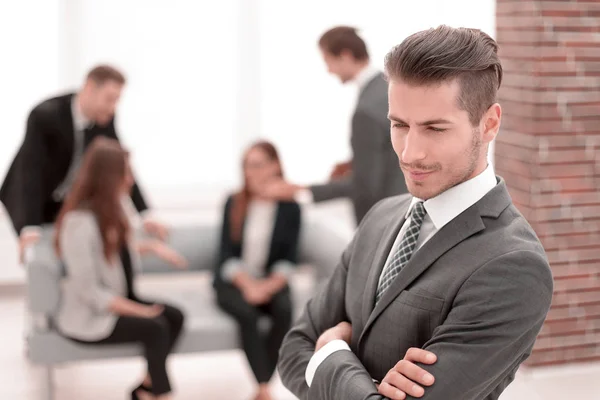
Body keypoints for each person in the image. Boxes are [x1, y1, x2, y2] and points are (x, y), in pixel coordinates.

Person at [277, 26, 553, 400]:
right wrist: (368, 389)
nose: (409, 153)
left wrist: (332, 355)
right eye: (399, 125)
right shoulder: (381, 217)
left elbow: (315, 350)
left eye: (435, 129)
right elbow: (294, 349)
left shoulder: (514, 264)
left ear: (489, 124)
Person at [54, 137, 187, 400]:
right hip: (90, 315)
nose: (130, 180)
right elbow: (89, 291)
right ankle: (161, 394)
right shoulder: (77, 222)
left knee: (175, 316)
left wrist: (153, 248)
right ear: (107, 177)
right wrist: (140, 311)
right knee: (155, 326)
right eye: (125, 173)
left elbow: (116, 253)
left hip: (120, 298)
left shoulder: (116, 208)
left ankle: (147, 386)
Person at [0, 64, 167, 263]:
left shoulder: (104, 118)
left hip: (66, 201)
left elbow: (119, 166)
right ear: (89, 88)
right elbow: (31, 172)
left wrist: (145, 213)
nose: (112, 107)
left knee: (76, 252)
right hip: (31, 198)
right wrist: (30, 226)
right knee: (40, 254)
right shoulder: (45, 115)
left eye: (117, 101)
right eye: (110, 99)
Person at [261, 26, 407, 226]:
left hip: (385, 221)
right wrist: (355, 163)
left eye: (328, 61)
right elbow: (390, 154)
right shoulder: (388, 89)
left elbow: (365, 185)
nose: (328, 70)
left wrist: (304, 191)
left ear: (345, 56)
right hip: (404, 208)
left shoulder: (366, 109)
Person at [214, 141, 301, 400]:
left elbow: (288, 258)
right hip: (235, 281)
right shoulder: (234, 202)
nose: (250, 172)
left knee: (284, 309)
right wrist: (249, 286)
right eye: (247, 166)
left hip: (270, 280)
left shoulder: (290, 208)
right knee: (247, 313)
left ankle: (263, 384)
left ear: (275, 166)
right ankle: (263, 387)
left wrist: (266, 286)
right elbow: (225, 255)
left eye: (257, 165)